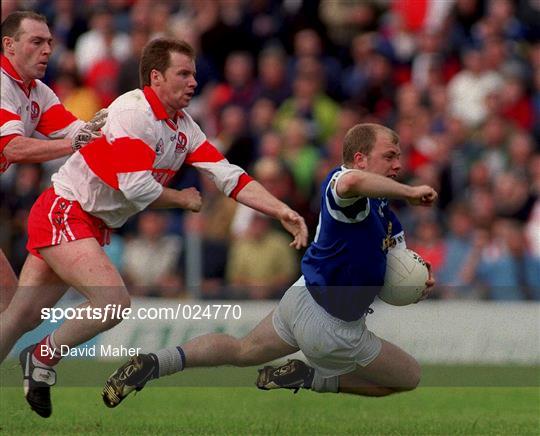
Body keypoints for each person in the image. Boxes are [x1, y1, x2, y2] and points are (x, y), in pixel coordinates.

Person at [0, 37, 308, 418]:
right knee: (112, 303)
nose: (193, 82)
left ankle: (37, 355)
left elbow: (229, 176)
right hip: (66, 209)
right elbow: (134, 185)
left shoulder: (185, 128)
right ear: (156, 77)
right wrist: (182, 199)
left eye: (194, 74)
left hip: (88, 220)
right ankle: (41, 356)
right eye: (184, 74)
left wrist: (280, 210)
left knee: (18, 317)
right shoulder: (134, 112)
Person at [102, 123, 437, 407]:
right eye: (389, 156)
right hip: (332, 327)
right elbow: (352, 182)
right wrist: (407, 191)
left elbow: (399, 266)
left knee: (242, 349)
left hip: (302, 297)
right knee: (409, 376)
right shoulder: (344, 188)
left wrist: (419, 283)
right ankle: (311, 377)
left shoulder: (385, 215)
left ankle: (154, 362)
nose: (397, 164)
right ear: (360, 159)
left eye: (398, 157)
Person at [0, 11, 107, 312]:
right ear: (9, 45)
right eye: (36, 42)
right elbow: (12, 148)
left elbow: (82, 134)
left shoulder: (37, 92)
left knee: (8, 306)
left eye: (49, 42)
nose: (47, 50)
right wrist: (75, 143)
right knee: (7, 303)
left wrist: (122, 126)